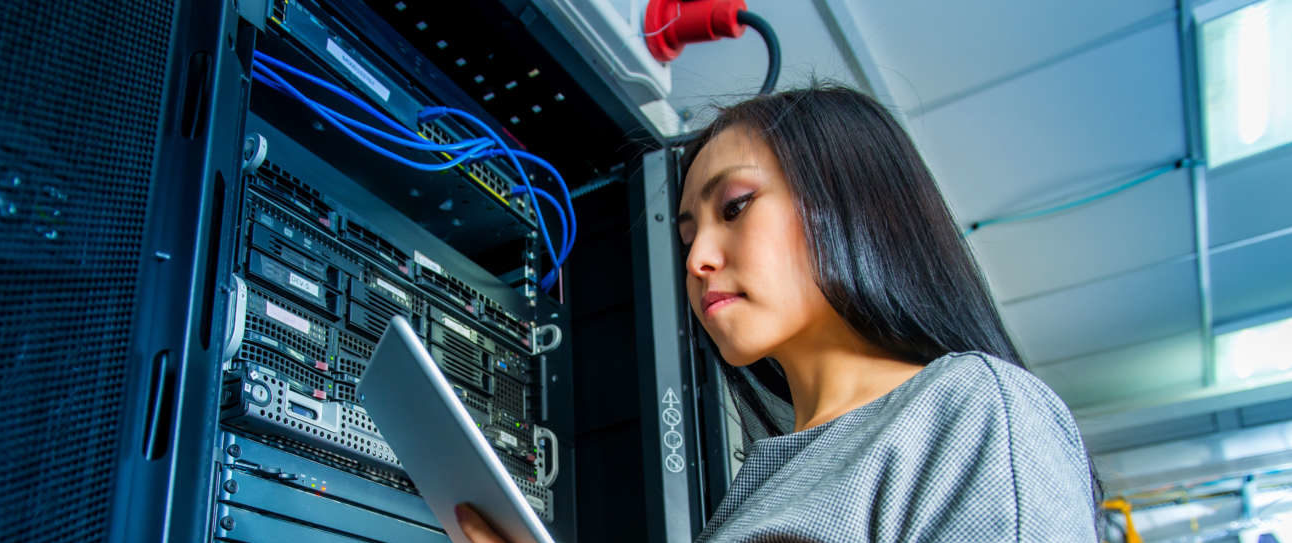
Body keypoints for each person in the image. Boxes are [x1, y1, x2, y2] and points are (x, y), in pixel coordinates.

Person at [457, 85, 1100, 542]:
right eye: (686, 239)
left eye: (734, 207)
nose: (699, 259)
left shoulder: (973, 410)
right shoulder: (760, 485)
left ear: (851, 204)